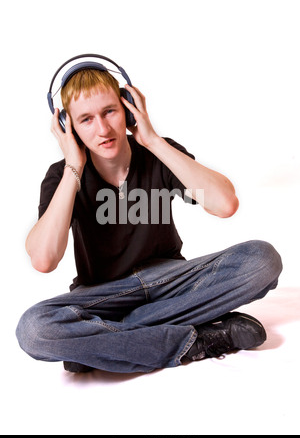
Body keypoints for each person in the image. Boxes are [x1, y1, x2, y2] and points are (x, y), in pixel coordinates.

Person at [16, 55, 282, 374]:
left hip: (170, 281)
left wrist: (153, 140)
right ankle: (192, 341)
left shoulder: (158, 153)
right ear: (67, 126)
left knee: (262, 260)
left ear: (128, 108)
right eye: (86, 119)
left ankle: (104, 341)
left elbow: (225, 204)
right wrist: (74, 165)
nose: (102, 128)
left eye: (110, 111)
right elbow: (44, 260)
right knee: (34, 329)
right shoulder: (62, 176)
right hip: (105, 295)